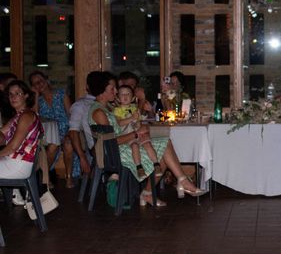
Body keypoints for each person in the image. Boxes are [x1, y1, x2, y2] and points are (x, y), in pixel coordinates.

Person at [87, 72, 206, 206]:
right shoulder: (99, 113)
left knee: (164, 142)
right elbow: (111, 142)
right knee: (163, 150)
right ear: (101, 90)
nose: (115, 91)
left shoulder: (106, 109)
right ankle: (162, 188)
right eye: (112, 89)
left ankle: (176, 183)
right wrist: (136, 134)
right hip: (115, 154)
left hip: (122, 148)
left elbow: (121, 129)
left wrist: (138, 129)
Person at [29, 70, 77, 188]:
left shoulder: (61, 94)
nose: (39, 84)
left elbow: (71, 115)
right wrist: (35, 96)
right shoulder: (38, 101)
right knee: (52, 147)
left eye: (40, 80)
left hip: (66, 131)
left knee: (68, 144)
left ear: (46, 80)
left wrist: (70, 132)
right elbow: (34, 117)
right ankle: (44, 176)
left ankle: (68, 177)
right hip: (48, 135)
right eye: (35, 83)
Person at [113, 85, 162, 178]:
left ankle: (156, 165)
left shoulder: (134, 108)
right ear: (118, 98)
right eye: (122, 94)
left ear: (132, 98)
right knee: (134, 146)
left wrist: (137, 123)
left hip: (138, 134)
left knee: (148, 144)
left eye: (128, 94)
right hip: (127, 136)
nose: (125, 96)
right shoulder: (117, 110)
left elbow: (139, 122)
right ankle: (139, 167)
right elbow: (119, 123)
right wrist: (131, 118)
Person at [0, 81, 44, 184]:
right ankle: (17, 197)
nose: (13, 97)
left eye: (17, 93)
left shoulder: (26, 116)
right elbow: (1, 135)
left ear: (26, 96)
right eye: (10, 94)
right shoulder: (18, 116)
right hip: (13, 161)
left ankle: (17, 196)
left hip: (19, 165)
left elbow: (13, 147)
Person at [68, 72, 102, 176]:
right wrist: (82, 158)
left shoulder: (111, 104)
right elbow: (73, 132)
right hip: (97, 147)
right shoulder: (81, 105)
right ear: (87, 86)